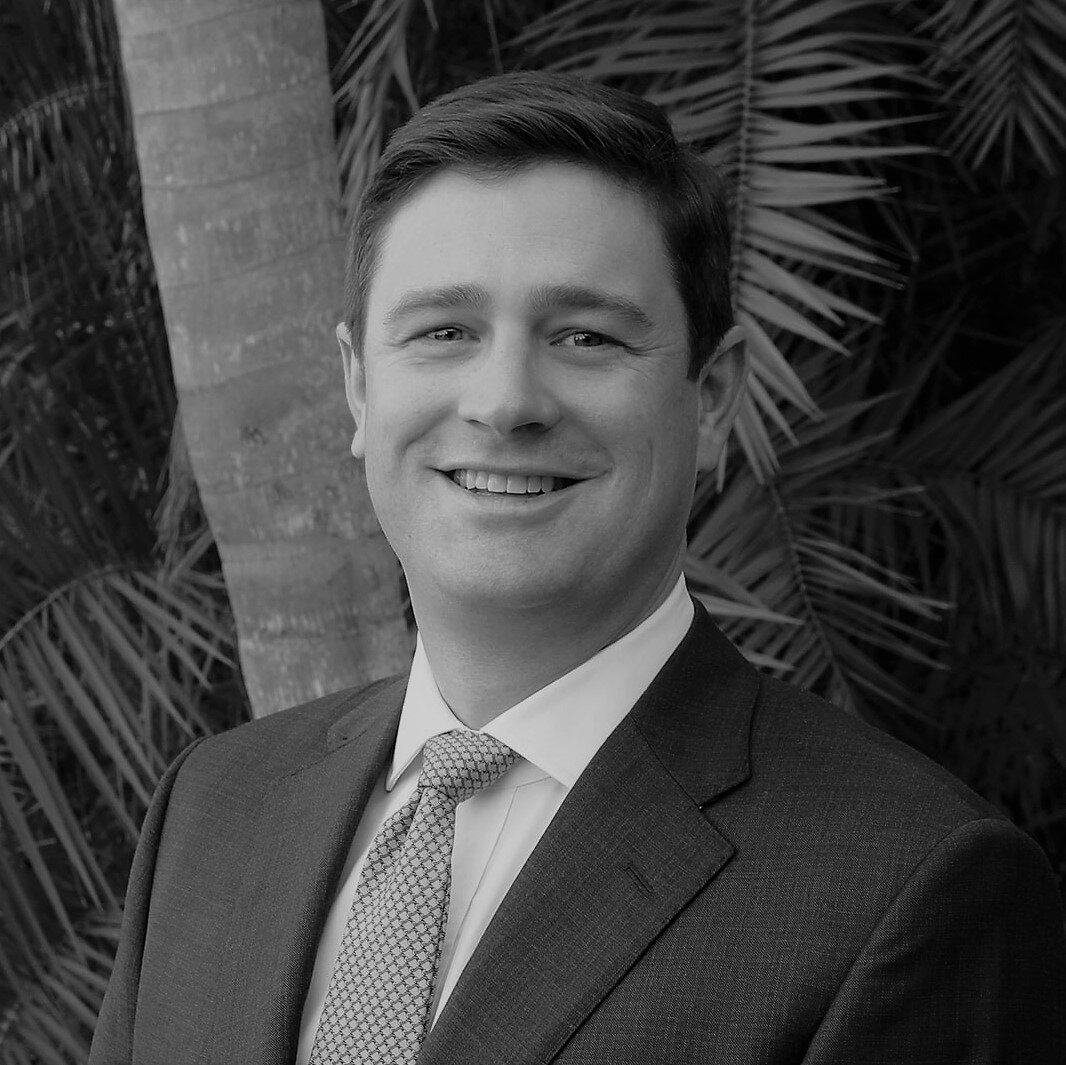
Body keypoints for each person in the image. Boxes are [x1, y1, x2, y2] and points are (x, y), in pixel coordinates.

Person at [90, 72, 1066, 1065]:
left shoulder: (906, 890)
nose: (506, 401)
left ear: (714, 396)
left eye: (586, 337)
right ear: (358, 384)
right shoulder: (211, 810)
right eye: (443, 332)